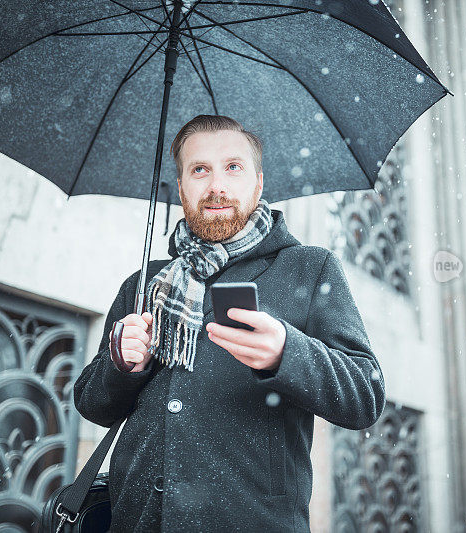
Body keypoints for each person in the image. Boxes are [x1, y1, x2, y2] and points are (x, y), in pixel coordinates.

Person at [73, 114, 386, 532]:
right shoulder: (146, 282)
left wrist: (286, 354)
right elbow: (92, 405)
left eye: (233, 168)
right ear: (181, 186)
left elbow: (365, 394)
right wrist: (123, 364)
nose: (216, 185)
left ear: (257, 183)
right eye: (199, 170)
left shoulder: (309, 269)